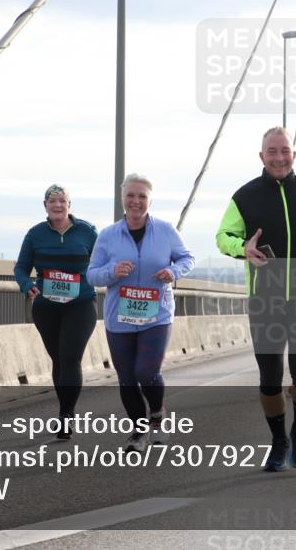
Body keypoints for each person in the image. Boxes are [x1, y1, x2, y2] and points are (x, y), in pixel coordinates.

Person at [216, 127, 296, 472]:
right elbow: (223, 235)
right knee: (270, 377)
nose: (279, 157)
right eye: (272, 151)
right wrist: (241, 248)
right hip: (265, 298)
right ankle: (278, 441)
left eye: (284, 150)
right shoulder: (245, 196)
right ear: (262, 157)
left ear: (294, 154)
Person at [87, 174, 194, 451]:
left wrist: (172, 271)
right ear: (122, 199)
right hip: (119, 316)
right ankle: (138, 432)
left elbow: (187, 258)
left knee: (146, 371)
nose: (136, 201)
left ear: (150, 200)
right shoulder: (108, 235)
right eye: (131, 196)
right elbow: (92, 275)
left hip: (156, 313)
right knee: (126, 377)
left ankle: (156, 414)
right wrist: (112, 271)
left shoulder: (166, 230)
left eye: (142, 196)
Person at [15, 184, 98, 442]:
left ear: (69, 205)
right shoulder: (35, 234)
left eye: (62, 201)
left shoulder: (87, 231)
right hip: (46, 305)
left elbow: (102, 262)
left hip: (81, 303)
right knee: (59, 360)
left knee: (70, 357)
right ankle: (65, 410)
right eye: (52, 201)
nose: (57, 205)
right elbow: (21, 268)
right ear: (45, 206)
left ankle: (66, 415)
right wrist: (27, 285)